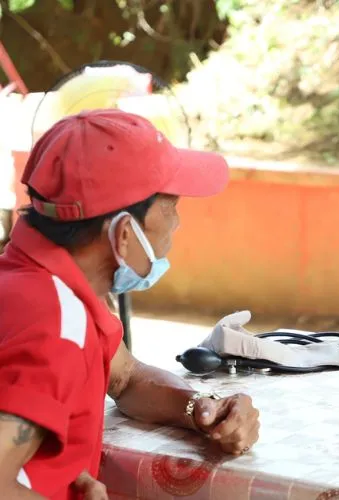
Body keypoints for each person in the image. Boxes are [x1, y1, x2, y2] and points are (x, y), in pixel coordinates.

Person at [0, 109, 260, 499]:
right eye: (170, 206)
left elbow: (124, 377)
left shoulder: (43, 284)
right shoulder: (55, 328)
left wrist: (201, 409)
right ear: (124, 233)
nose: (177, 224)